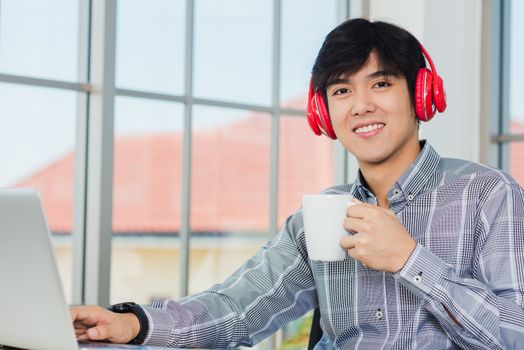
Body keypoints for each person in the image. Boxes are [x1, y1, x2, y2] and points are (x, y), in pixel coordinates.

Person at [71, 18, 524, 349]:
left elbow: (515, 334)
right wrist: (133, 324)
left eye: (381, 84)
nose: (361, 106)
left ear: (421, 94)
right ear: (324, 112)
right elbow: (238, 308)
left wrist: (410, 260)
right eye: (342, 91)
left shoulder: (488, 195)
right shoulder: (321, 216)